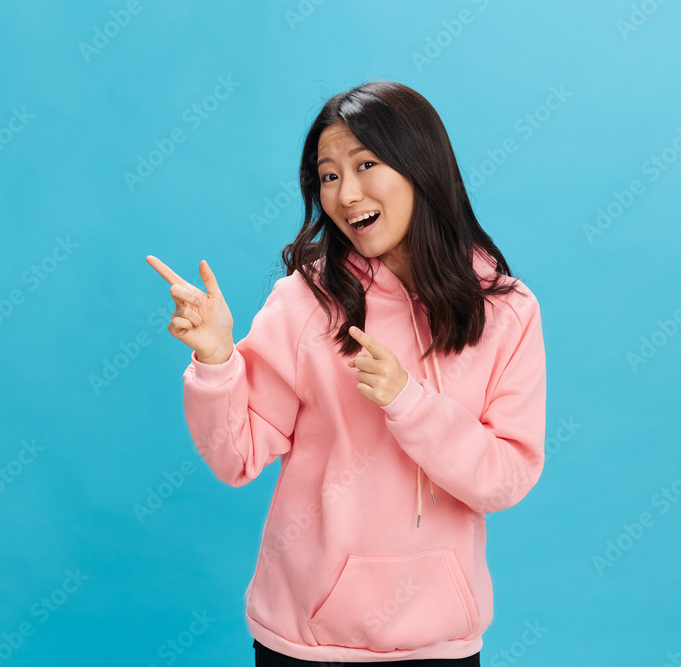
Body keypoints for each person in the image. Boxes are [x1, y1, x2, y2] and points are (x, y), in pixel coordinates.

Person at [145, 80, 546, 666]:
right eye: (329, 175)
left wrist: (409, 404)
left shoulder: (506, 310)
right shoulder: (308, 301)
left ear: (421, 167)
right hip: (307, 641)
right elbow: (237, 457)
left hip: (441, 642)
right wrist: (216, 361)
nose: (346, 193)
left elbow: (506, 477)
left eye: (365, 165)